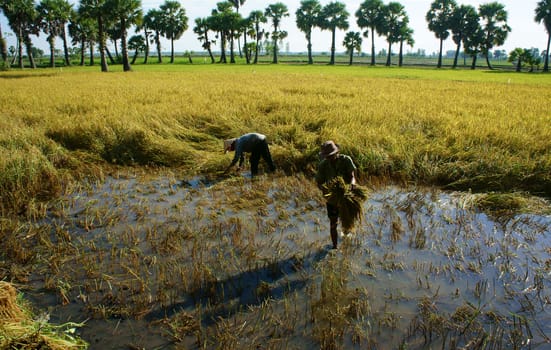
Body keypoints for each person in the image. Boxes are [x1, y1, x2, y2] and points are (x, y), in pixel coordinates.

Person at [315, 140, 357, 249]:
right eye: (327, 156)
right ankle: (334, 247)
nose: (329, 158)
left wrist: (352, 184)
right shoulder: (323, 165)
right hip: (332, 199)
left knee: (347, 219)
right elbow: (319, 183)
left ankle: (347, 237)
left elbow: (352, 176)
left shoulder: (346, 160)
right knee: (333, 223)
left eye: (331, 155)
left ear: (336, 152)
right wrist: (324, 190)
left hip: (346, 196)